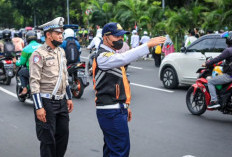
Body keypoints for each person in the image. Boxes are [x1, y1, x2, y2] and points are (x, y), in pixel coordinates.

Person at [92, 22, 166, 157]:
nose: (120, 39)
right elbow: (124, 57)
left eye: (121, 37)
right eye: (116, 36)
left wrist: (125, 105)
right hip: (111, 111)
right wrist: (147, 45)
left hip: (116, 108)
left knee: (111, 150)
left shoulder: (112, 54)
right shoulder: (103, 56)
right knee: (120, 151)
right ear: (105, 37)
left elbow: (121, 82)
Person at [29, 17, 74, 157]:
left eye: (62, 32)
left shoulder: (61, 52)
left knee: (63, 138)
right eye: (58, 33)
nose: (61, 36)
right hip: (46, 102)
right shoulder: (38, 54)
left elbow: (64, 76)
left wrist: (69, 98)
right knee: (48, 141)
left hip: (61, 102)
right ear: (48, 35)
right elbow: (34, 82)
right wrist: (39, 107)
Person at [202, 31, 232, 109]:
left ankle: (214, 101)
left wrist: (207, 64)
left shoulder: (228, 50)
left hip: (229, 75)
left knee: (211, 81)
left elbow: (218, 58)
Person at [13, 31, 41, 96]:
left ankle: (25, 89)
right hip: (44, 70)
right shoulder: (42, 46)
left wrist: (16, 62)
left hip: (32, 71)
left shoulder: (26, 49)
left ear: (27, 39)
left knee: (21, 72)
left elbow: (21, 62)